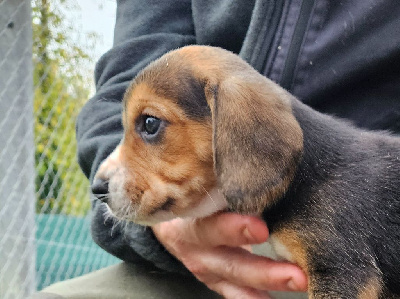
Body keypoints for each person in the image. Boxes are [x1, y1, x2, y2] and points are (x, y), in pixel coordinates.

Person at [35, 1, 400, 298]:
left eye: (151, 125)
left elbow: (351, 284)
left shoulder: (323, 199)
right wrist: (161, 233)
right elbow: (122, 77)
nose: (107, 175)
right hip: (189, 265)